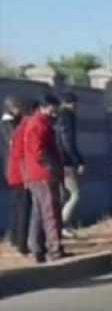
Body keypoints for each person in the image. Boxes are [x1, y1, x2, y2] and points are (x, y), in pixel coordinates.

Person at [22, 95, 65, 263]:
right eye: (53, 108)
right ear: (45, 107)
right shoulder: (38, 124)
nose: (55, 112)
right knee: (50, 212)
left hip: (38, 174)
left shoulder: (41, 123)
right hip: (43, 175)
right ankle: (54, 249)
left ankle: (36, 249)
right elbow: (38, 151)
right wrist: (51, 167)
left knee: (39, 213)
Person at [2, 95, 31, 254]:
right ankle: (21, 242)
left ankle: (15, 238)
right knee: (22, 206)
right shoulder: (7, 124)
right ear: (11, 108)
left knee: (17, 206)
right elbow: (15, 141)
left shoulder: (12, 123)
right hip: (17, 171)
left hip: (14, 170)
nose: (20, 111)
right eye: (17, 108)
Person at [55, 93, 86, 237]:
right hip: (66, 162)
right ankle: (61, 225)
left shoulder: (56, 117)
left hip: (56, 161)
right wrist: (78, 160)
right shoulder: (67, 117)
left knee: (63, 195)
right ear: (71, 104)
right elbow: (68, 142)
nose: (77, 108)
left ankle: (58, 226)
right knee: (75, 194)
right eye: (76, 104)